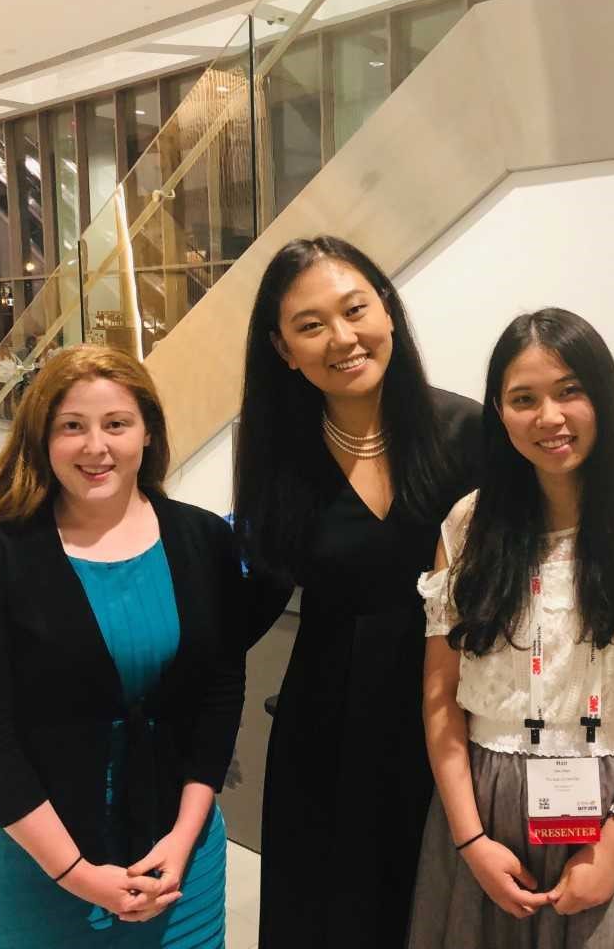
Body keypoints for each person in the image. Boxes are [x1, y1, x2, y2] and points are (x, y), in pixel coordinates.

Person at [410, 308, 614, 948]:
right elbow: (441, 698)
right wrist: (470, 840)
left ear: (602, 397)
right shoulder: (465, 527)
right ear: (499, 414)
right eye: (524, 399)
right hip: (485, 806)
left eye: (569, 391)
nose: (549, 417)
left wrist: (611, 848)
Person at [0, 344, 245, 948]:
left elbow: (220, 694)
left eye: (116, 424)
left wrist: (182, 841)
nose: (96, 447)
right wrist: (77, 875)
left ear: (147, 432)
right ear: (41, 440)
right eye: (72, 426)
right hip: (43, 862)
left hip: (180, 858)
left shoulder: (201, 540)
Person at [232, 236, 483, 947]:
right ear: (283, 348)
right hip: (326, 720)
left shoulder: (467, 433)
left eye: (355, 310)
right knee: (324, 916)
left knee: (430, 912)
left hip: (453, 716)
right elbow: (252, 590)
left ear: (389, 313)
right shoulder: (277, 446)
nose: (342, 338)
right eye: (310, 326)